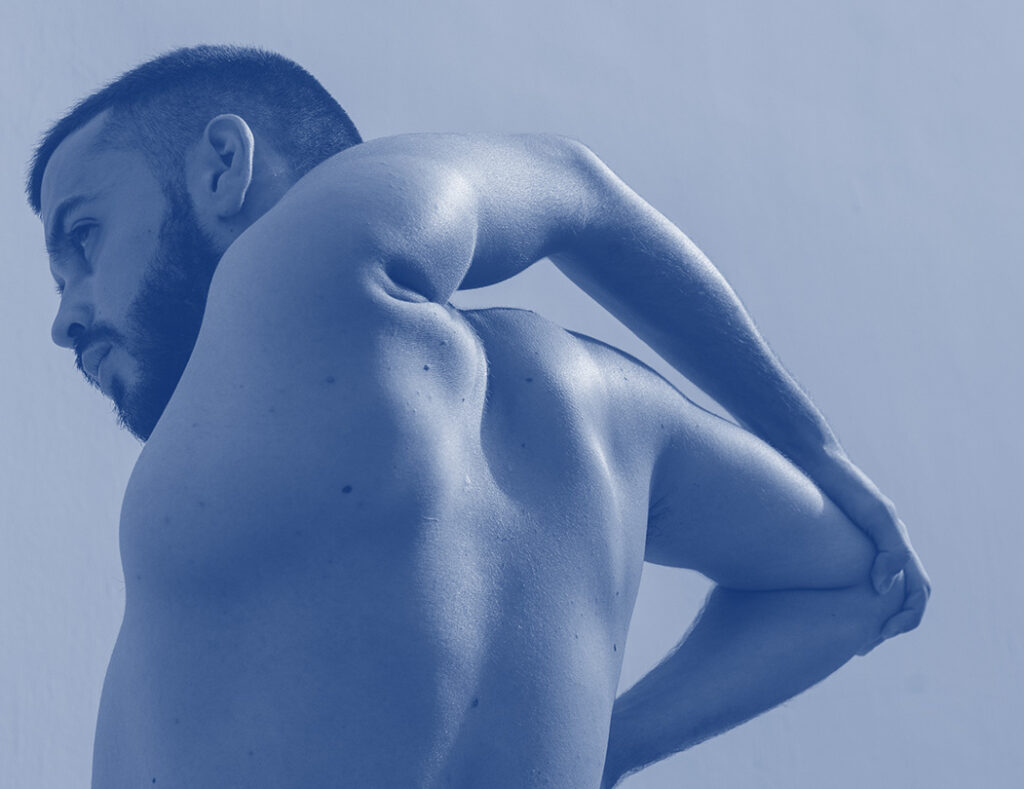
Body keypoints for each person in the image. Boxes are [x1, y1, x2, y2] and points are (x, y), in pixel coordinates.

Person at [27, 45, 929, 788]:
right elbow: (855, 582)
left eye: (83, 236)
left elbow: (570, 182)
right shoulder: (619, 421)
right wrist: (608, 746)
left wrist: (813, 442)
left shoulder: (298, 261)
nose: (64, 318)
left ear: (224, 166)